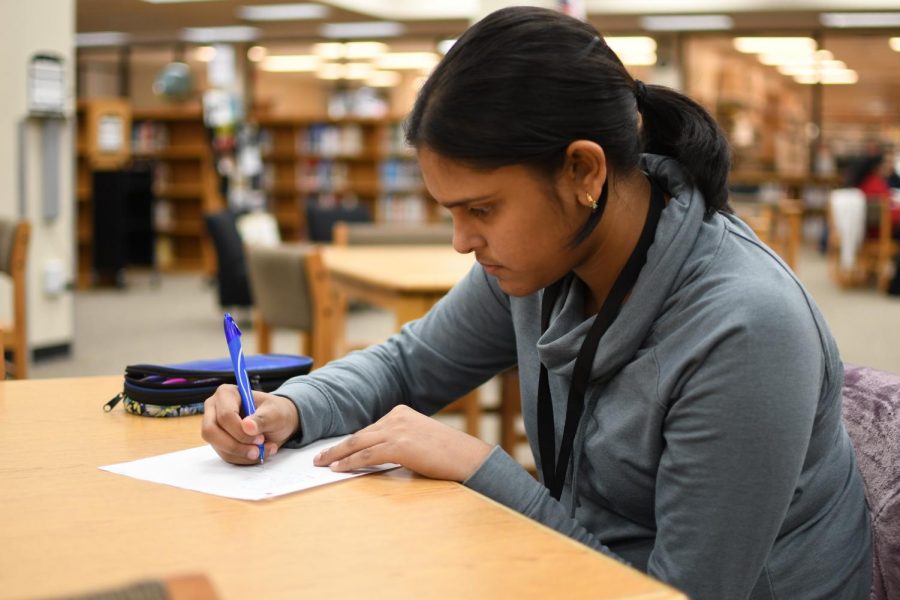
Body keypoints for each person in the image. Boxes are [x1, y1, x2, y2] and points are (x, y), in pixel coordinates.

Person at [202, 7, 871, 599]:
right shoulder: (545, 259)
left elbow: (681, 594)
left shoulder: (745, 329)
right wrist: (290, 407)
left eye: (481, 209)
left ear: (584, 171)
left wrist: (481, 468)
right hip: (575, 566)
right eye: (452, 213)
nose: (464, 242)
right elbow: (411, 364)